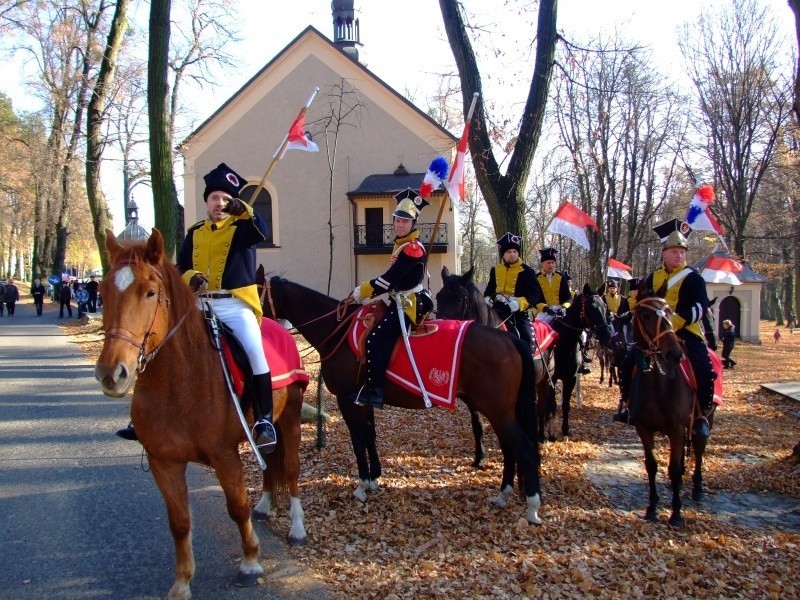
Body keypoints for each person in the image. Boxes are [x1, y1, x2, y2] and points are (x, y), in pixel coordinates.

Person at [123, 162, 277, 455]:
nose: (219, 203)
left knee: (256, 354)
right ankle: (142, 415)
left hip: (235, 305)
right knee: (158, 345)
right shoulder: (194, 232)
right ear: (206, 201)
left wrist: (243, 208)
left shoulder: (244, 228)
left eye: (224, 198)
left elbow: (262, 229)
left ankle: (264, 422)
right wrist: (191, 277)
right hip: (198, 304)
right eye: (214, 198)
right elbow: (180, 266)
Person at [615, 218, 715, 438]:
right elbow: (641, 306)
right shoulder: (652, 278)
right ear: (664, 253)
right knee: (627, 364)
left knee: (705, 369)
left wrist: (676, 321)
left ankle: (701, 417)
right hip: (654, 336)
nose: (679, 256)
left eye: (682, 252)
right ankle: (629, 407)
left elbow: (701, 307)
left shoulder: (694, 279)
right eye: (674, 252)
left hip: (686, 333)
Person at [349, 188, 432, 409]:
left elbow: (389, 281)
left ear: (413, 224)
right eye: (397, 220)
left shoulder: (412, 249)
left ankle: (375, 391)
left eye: (405, 221)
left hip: (410, 303)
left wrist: (363, 290)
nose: (400, 224)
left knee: (376, 337)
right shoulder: (402, 245)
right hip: (400, 298)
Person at [483, 232, 543, 351]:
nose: (512, 254)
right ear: (503, 255)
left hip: (517, 312)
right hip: (497, 309)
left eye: (515, 252)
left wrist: (519, 303)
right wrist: (487, 297)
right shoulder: (495, 270)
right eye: (508, 252)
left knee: (527, 339)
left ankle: (528, 365)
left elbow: (535, 295)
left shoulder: (527, 271)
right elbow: (490, 289)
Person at [535, 248, 590, 373]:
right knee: (538, 333)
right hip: (544, 311)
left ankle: (582, 358)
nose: (551, 265)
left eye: (552, 263)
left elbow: (568, 297)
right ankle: (539, 360)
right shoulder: (536, 278)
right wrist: (545, 307)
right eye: (548, 262)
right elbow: (535, 298)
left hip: (560, 310)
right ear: (542, 264)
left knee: (582, 333)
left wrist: (564, 307)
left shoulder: (561, 277)